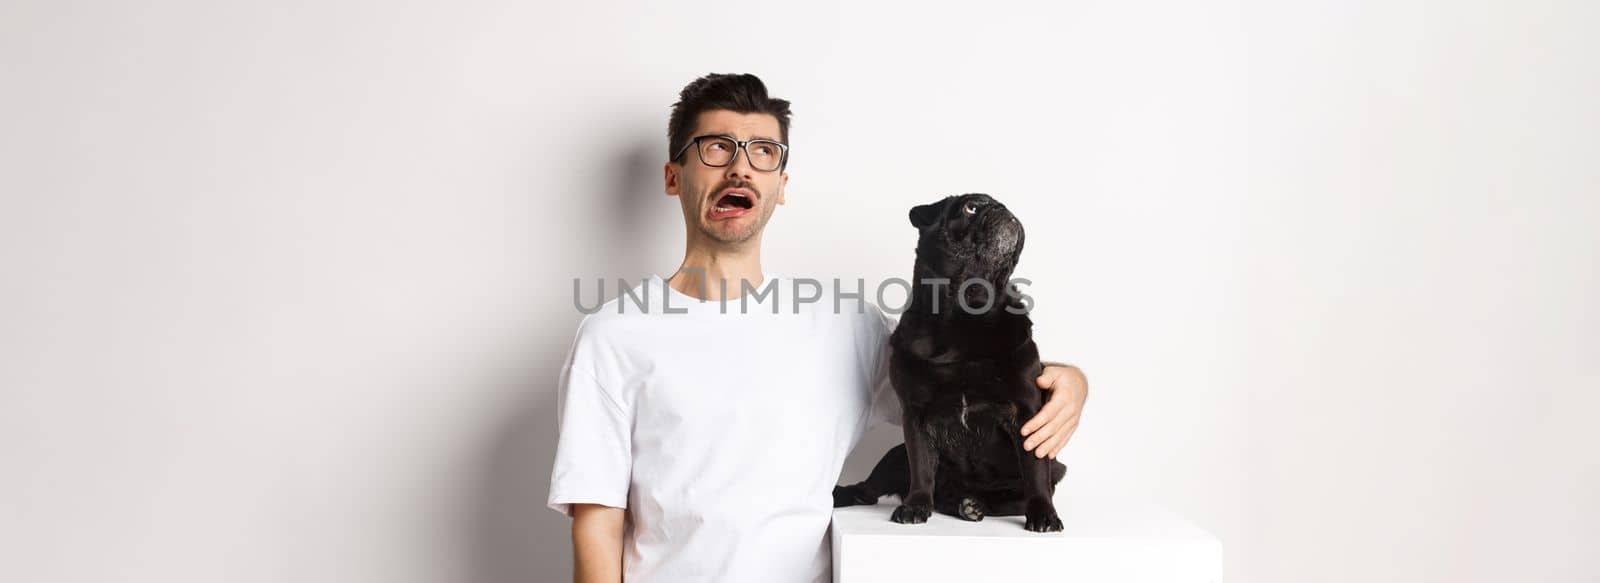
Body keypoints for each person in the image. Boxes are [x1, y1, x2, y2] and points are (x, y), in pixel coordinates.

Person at [546, 73, 1089, 582]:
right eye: (716, 148)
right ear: (673, 176)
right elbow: (597, 520)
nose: (740, 168)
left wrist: (1068, 378)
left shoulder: (846, 322)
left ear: (781, 186)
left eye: (763, 152)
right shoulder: (615, 333)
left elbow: (955, 399)